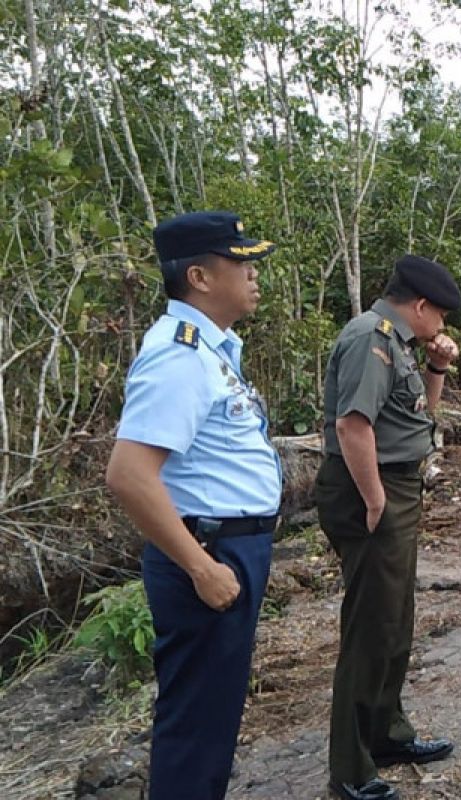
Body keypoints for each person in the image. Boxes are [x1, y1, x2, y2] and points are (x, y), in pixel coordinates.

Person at [105, 211, 282, 800]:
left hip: (230, 546)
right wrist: (202, 568)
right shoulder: (178, 355)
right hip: (207, 553)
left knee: (213, 719)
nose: (254, 274)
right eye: (242, 262)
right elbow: (130, 476)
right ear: (201, 278)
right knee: (196, 727)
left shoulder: (212, 349)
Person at [316, 254, 461, 800]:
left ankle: (387, 734)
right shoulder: (368, 338)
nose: (442, 327)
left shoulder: (400, 343)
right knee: (370, 626)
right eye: (440, 316)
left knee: (395, 619)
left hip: (395, 487)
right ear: (419, 306)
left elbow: (418, 412)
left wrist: (437, 367)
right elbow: (352, 426)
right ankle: (350, 769)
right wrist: (375, 501)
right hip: (371, 490)